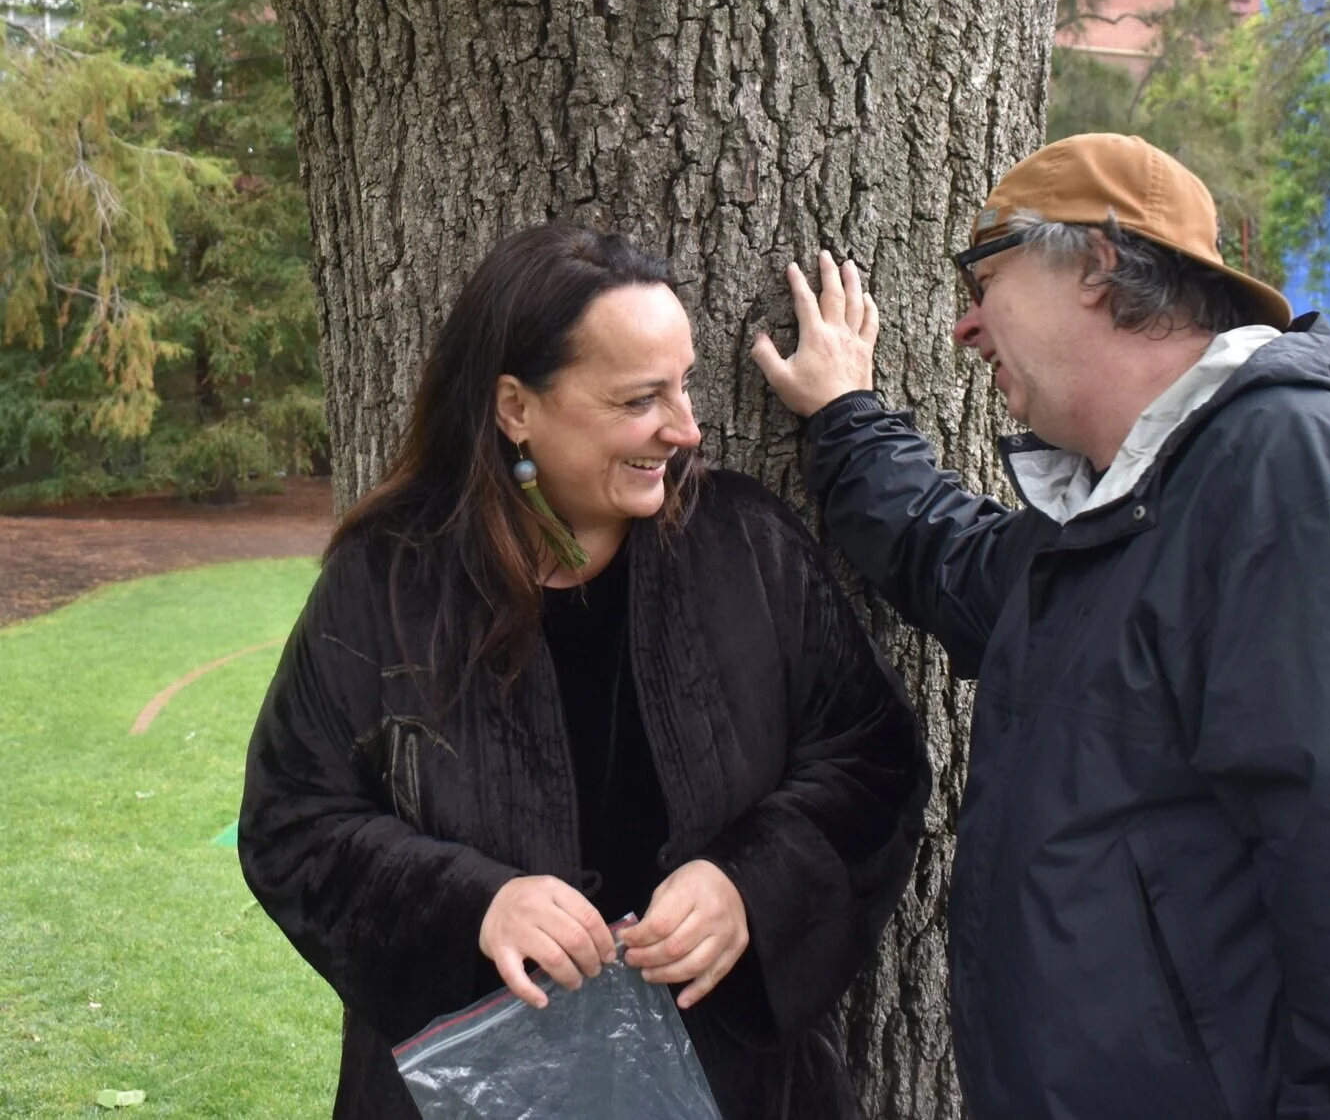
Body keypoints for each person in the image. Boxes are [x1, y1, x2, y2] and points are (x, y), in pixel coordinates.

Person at [752, 134, 1330, 1119]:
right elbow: (953, 563)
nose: (963, 327)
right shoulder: (1126, 511)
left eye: (983, 276)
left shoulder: (1296, 476)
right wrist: (846, 415)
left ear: (1097, 265)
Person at [239, 225, 928, 1120]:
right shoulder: (389, 580)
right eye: (640, 399)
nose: (683, 430)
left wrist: (747, 884)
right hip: (470, 1089)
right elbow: (290, 819)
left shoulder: (745, 547)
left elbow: (872, 759)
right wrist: (474, 907)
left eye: (683, 386)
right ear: (516, 408)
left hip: (738, 1085)